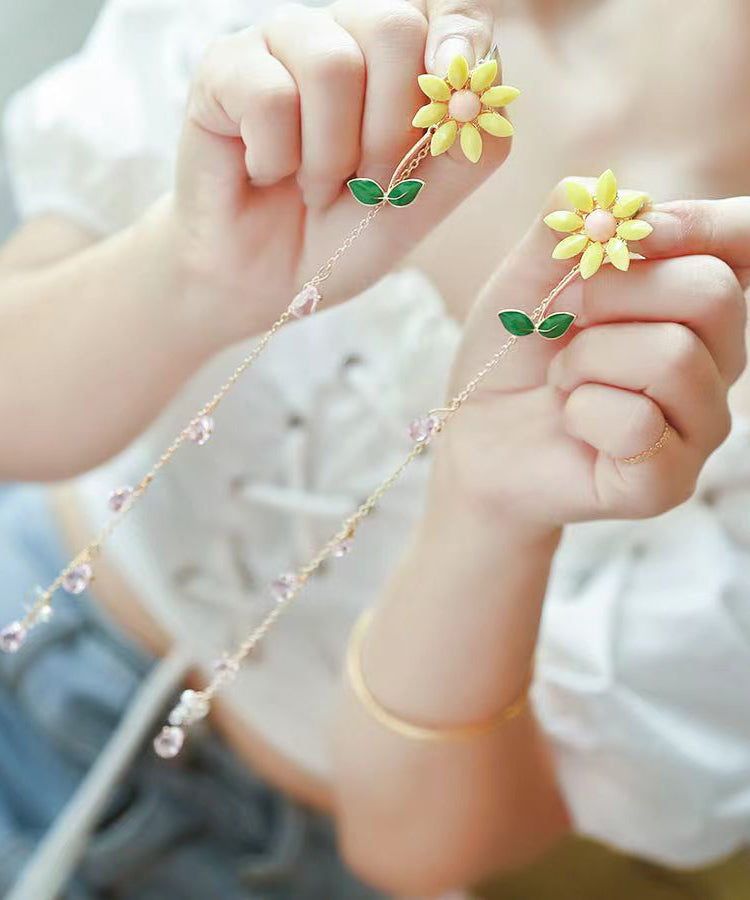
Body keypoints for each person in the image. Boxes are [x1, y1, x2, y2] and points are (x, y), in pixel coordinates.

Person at [0, 0, 749, 896]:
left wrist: (487, 515)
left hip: (269, 866)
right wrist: (189, 278)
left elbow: (417, 847)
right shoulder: (338, 24)